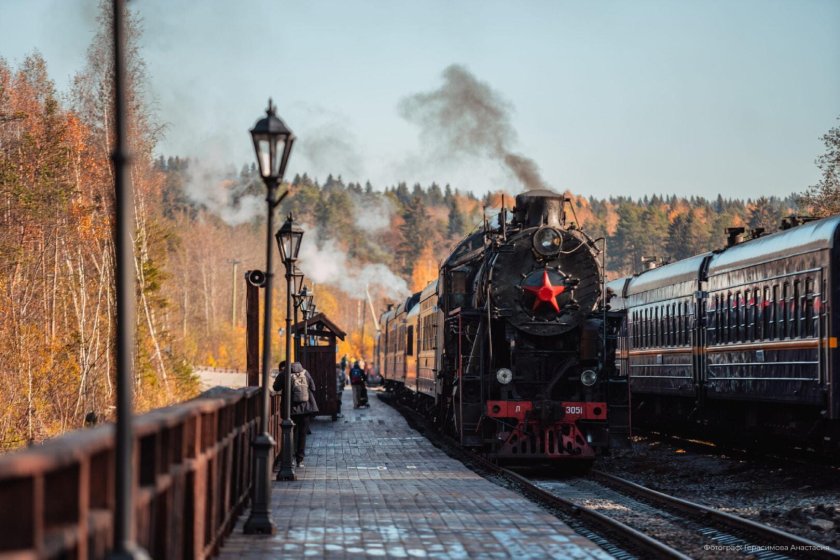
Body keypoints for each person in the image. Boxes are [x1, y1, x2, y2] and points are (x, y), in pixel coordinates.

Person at [273, 361, 319, 467]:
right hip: (306, 409)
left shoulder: (284, 373)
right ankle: (300, 460)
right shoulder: (305, 372)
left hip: (290, 409)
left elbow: (276, 387)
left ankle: (289, 459)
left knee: (289, 433)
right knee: (302, 434)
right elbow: (313, 388)